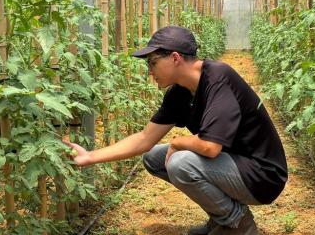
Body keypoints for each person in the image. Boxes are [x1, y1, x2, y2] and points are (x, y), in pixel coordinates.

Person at [64, 26, 287, 235]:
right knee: (153, 158)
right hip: (232, 163)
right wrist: (90, 156)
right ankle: (221, 217)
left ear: (175, 58)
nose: (149, 72)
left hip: (262, 175)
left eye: (153, 63)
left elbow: (210, 147)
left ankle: (238, 225)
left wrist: (177, 142)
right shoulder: (179, 92)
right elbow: (144, 139)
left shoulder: (219, 78)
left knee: (181, 163)